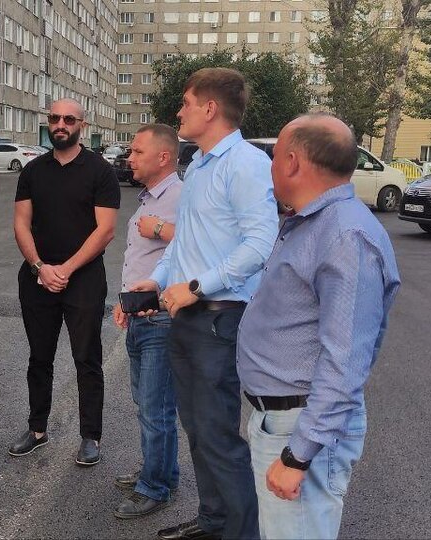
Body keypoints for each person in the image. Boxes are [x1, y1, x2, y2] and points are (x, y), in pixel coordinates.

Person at [131, 67, 279, 540]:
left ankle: (240, 531)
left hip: (220, 317)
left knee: (218, 435)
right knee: (197, 429)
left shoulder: (246, 164)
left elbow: (260, 244)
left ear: (210, 108)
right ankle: (214, 521)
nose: (180, 112)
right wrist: (155, 281)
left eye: (186, 102)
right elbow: (184, 243)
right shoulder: (197, 165)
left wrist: (196, 287)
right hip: (188, 316)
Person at [237, 114, 400, 540]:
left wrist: (298, 455)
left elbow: (345, 363)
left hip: (300, 428)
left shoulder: (345, 236)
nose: (270, 167)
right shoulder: (313, 222)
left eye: (274, 157)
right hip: (283, 419)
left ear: (292, 162)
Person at [7, 98, 119, 467]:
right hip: (37, 278)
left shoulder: (100, 171)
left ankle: (90, 437)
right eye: (55, 118)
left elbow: (105, 231)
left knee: (87, 358)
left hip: (83, 279)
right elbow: (21, 223)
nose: (61, 124)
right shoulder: (33, 170)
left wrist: (66, 269)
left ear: (82, 125)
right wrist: (40, 267)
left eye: (69, 119)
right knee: (39, 358)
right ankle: (37, 430)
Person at [111, 124, 183, 520]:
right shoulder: (149, 198)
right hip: (140, 314)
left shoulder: (180, 197)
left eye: (138, 151)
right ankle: (162, 473)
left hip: (161, 320)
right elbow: (139, 260)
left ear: (163, 157)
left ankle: (153, 488)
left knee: (156, 409)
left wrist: (160, 228)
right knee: (148, 404)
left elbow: (199, 243)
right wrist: (125, 301)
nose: (130, 158)